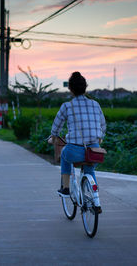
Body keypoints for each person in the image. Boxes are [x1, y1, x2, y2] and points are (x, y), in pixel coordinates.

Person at [50, 71, 106, 202]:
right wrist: (100, 137)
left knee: (64, 154)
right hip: (94, 151)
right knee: (89, 167)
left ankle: (66, 188)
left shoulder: (67, 106)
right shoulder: (95, 104)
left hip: (74, 151)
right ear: (85, 87)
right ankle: (94, 196)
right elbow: (103, 125)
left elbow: (56, 126)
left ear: (70, 89)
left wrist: (53, 137)